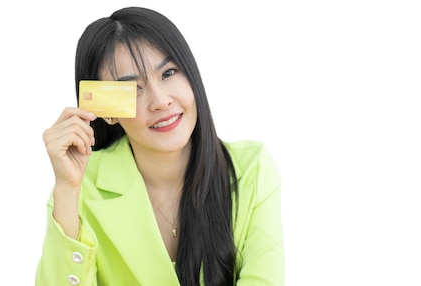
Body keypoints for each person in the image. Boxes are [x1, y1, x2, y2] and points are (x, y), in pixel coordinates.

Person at [35, 6, 284, 286]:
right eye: (134, 89)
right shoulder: (80, 188)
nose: (161, 101)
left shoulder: (251, 168)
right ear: (106, 110)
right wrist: (67, 191)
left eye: (168, 73)